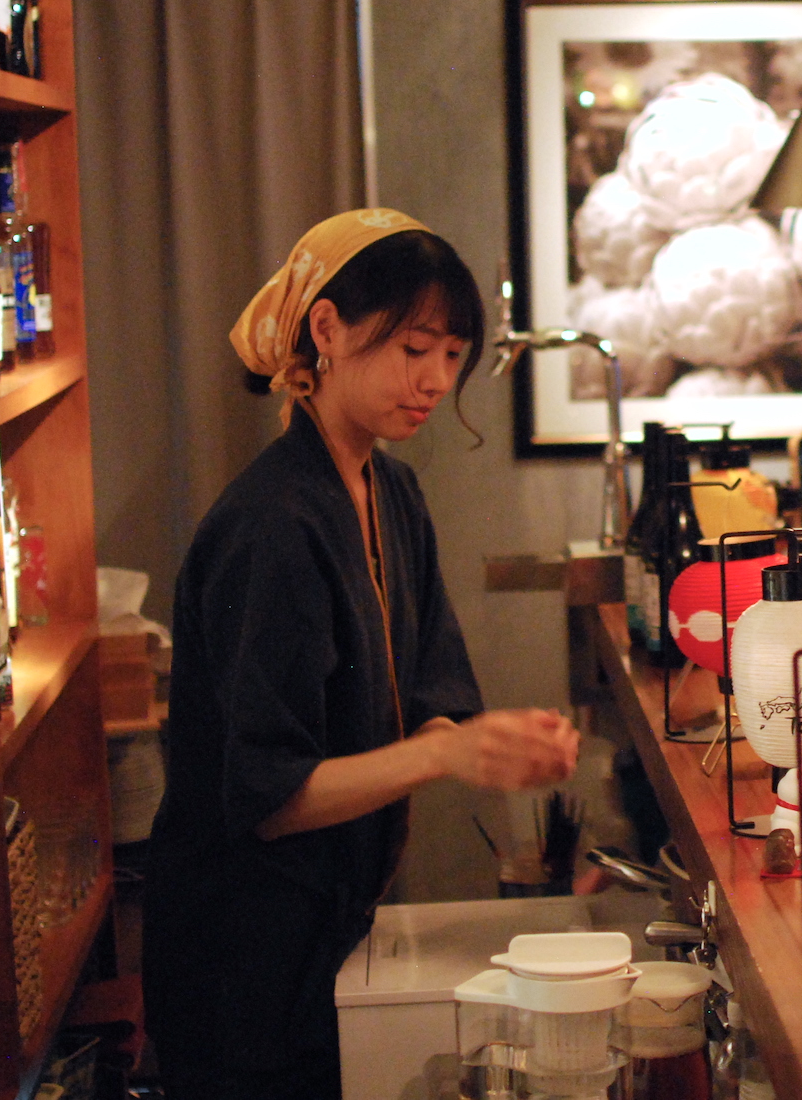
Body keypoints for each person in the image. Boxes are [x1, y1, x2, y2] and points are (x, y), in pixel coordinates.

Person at [143, 210, 583, 1098]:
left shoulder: (393, 488)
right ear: (328, 330)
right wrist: (445, 752)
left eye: (452, 355)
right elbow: (267, 795)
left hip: (334, 927)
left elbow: (432, 690)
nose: (434, 380)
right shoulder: (271, 524)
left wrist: (489, 741)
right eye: (415, 347)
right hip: (241, 952)